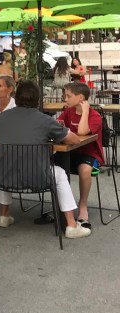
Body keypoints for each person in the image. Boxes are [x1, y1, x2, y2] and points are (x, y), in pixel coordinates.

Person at [0, 81, 91, 239]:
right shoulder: (45, 120)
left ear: (16, 98)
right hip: (36, 176)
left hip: (4, 176)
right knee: (60, 174)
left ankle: (3, 215)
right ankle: (71, 224)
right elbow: (74, 140)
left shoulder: (1, 117)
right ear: (37, 99)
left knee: (9, 163)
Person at [57, 82, 103, 228]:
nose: (65, 99)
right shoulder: (68, 112)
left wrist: (85, 111)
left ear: (81, 97)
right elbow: (58, 125)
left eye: (68, 96)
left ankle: (82, 205)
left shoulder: (95, 116)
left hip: (90, 154)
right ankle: (62, 205)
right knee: (54, 165)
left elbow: (82, 132)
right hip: (69, 151)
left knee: (85, 170)